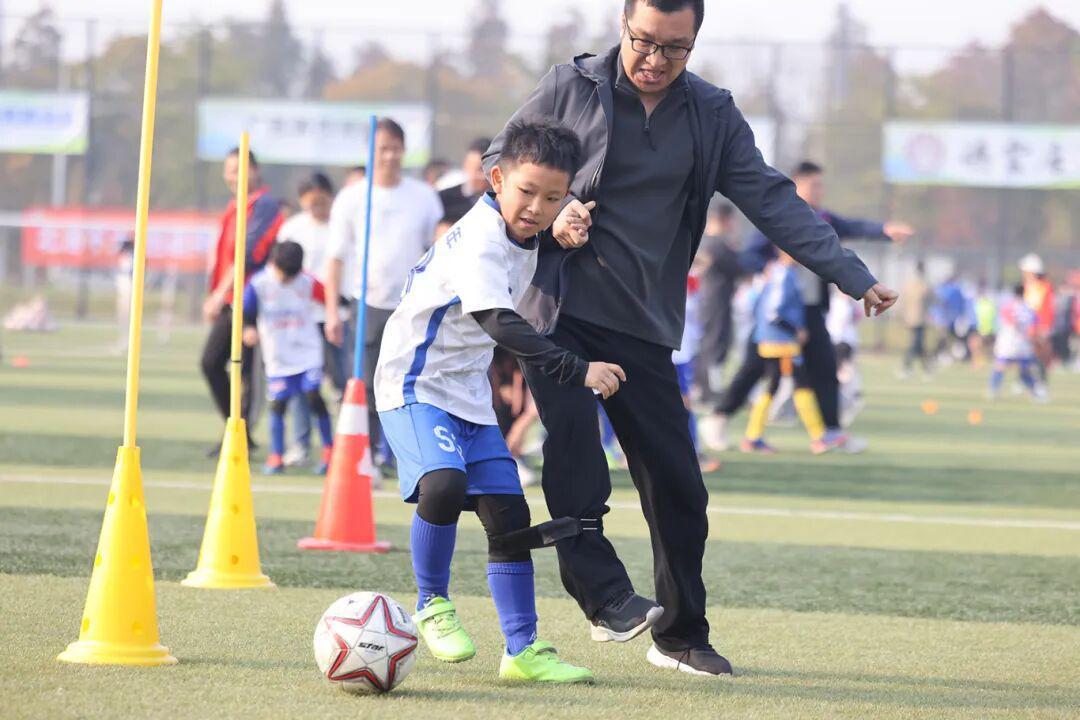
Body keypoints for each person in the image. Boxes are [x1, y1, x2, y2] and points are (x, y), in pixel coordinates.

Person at [483, 0, 898, 676]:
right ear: (623, 26)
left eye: (675, 48)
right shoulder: (571, 85)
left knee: (678, 485)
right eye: (644, 41)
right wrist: (552, 213)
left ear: (695, 41)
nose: (655, 60)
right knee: (577, 453)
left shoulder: (711, 113)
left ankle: (679, 636)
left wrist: (852, 275)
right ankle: (604, 596)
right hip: (558, 308)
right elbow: (502, 161)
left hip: (643, 321)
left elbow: (771, 199)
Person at [375, 119, 614, 683]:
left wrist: (564, 224)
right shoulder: (480, 238)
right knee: (442, 484)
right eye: (527, 192)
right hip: (414, 384)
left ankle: (522, 651)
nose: (536, 208)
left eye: (553, 197)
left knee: (508, 514)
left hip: (468, 392)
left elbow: (535, 246)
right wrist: (578, 369)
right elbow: (500, 322)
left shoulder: (524, 230)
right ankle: (431, 604)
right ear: (498, 178)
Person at [712, 160, 912, 453]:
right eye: (814, 185)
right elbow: (750, 257)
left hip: (811, 308)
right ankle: (719, 418)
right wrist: (771, 267)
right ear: (797, 183)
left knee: (824, 366)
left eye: (821, 185)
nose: (820, 190)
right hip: (779, 312)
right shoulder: (777, 215)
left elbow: (853, 226)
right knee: (756, 367)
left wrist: (884, 230)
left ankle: (832, 432)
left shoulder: (823, 218)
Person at [324, 118, 443, 474]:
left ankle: (404, 454)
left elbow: (437, 248)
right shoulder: (352, 197)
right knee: (364, 382)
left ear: (404, 151)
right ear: (370, 151)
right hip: (366, 304)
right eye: (382, 149)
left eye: (395, 148)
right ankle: (367, 455)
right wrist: (331, 312)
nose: (389, 156)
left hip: (412, 304)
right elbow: (335, 258)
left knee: (410, 383)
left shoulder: (423, 196)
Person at [201, 147, 285, 451]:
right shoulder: (234, 207)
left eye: (238, 169)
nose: (232, 176)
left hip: (251, 300)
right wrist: (216, 293)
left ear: (254, 170)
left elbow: (247, 256)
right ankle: (237, 433)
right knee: (213, 363)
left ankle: (240, 436)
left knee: (245, 371)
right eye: (228, 170)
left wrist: (218, 295)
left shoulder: (264, 206)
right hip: (229, 299)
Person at [242, 242, 335, 474]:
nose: (286, 280)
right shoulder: (258, 283)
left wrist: (336, 315)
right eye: (283, 274)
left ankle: (329, 451)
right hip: (277, 355)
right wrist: (248, 328)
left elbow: (331, 298)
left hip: (308, 351)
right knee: (278, 404)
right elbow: (245, 312)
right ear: (273, 264)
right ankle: (276, 455)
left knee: (314, 397)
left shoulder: (306, 282)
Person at [276, 173, 346, 467]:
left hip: (336, 316)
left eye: (322, 201)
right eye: (311, 202)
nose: (317, 207)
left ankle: (344, 444)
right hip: (300, 320)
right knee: (301, 385)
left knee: (342, 383)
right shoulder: (292, 228)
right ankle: (301, 444)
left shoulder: (342, 226)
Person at [740, 250, 829, 453]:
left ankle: (753, 436)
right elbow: (774, 311)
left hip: (777, 338)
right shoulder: (782, 274)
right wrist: (795, 329)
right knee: (798, 384)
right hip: (780, 341)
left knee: (777, 384)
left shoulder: (780, 272)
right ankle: (818, 437)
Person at [694, 202, 741, 448]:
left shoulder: (707, 243)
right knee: (715, 347)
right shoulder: (716, 245)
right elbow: (739, 267)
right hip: (715, 304)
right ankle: (710, 395)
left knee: (714, 345)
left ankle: (707, 391)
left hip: (713, 303)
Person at [989, 283, 1045, 401]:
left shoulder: (1007, 306)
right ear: (1024, 293)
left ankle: (993, 391)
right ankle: (1036, 393)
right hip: (1023, 343)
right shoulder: (1029, 309)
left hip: (1007, 341)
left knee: (1000, 366)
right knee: (1025, 369)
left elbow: (1002, 321)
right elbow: (1035, 326)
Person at [437, 137, 493, 236]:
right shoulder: (444, 199)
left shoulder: (501, 200)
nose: (484, 177)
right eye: (479, 170)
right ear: (465, 166)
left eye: (489, 171)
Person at [1019, 253, 1055, 381]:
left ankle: (1040, 380)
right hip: (1026, 326)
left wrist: (1044, 327)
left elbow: (1046, 309)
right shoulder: (1025, 286)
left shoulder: (1044, 287)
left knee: (1039, 354)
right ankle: (1024, 380)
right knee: (1024, 353)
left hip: (1039, 326)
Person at [901, 260, 934, 377]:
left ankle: (917, 368)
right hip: (914, 319)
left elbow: (930, 299)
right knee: (917, 344)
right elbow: (905, 301)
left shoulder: (922, 284)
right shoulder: (917, 284)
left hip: (920, 319)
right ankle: (921, 368)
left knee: (918, 344)